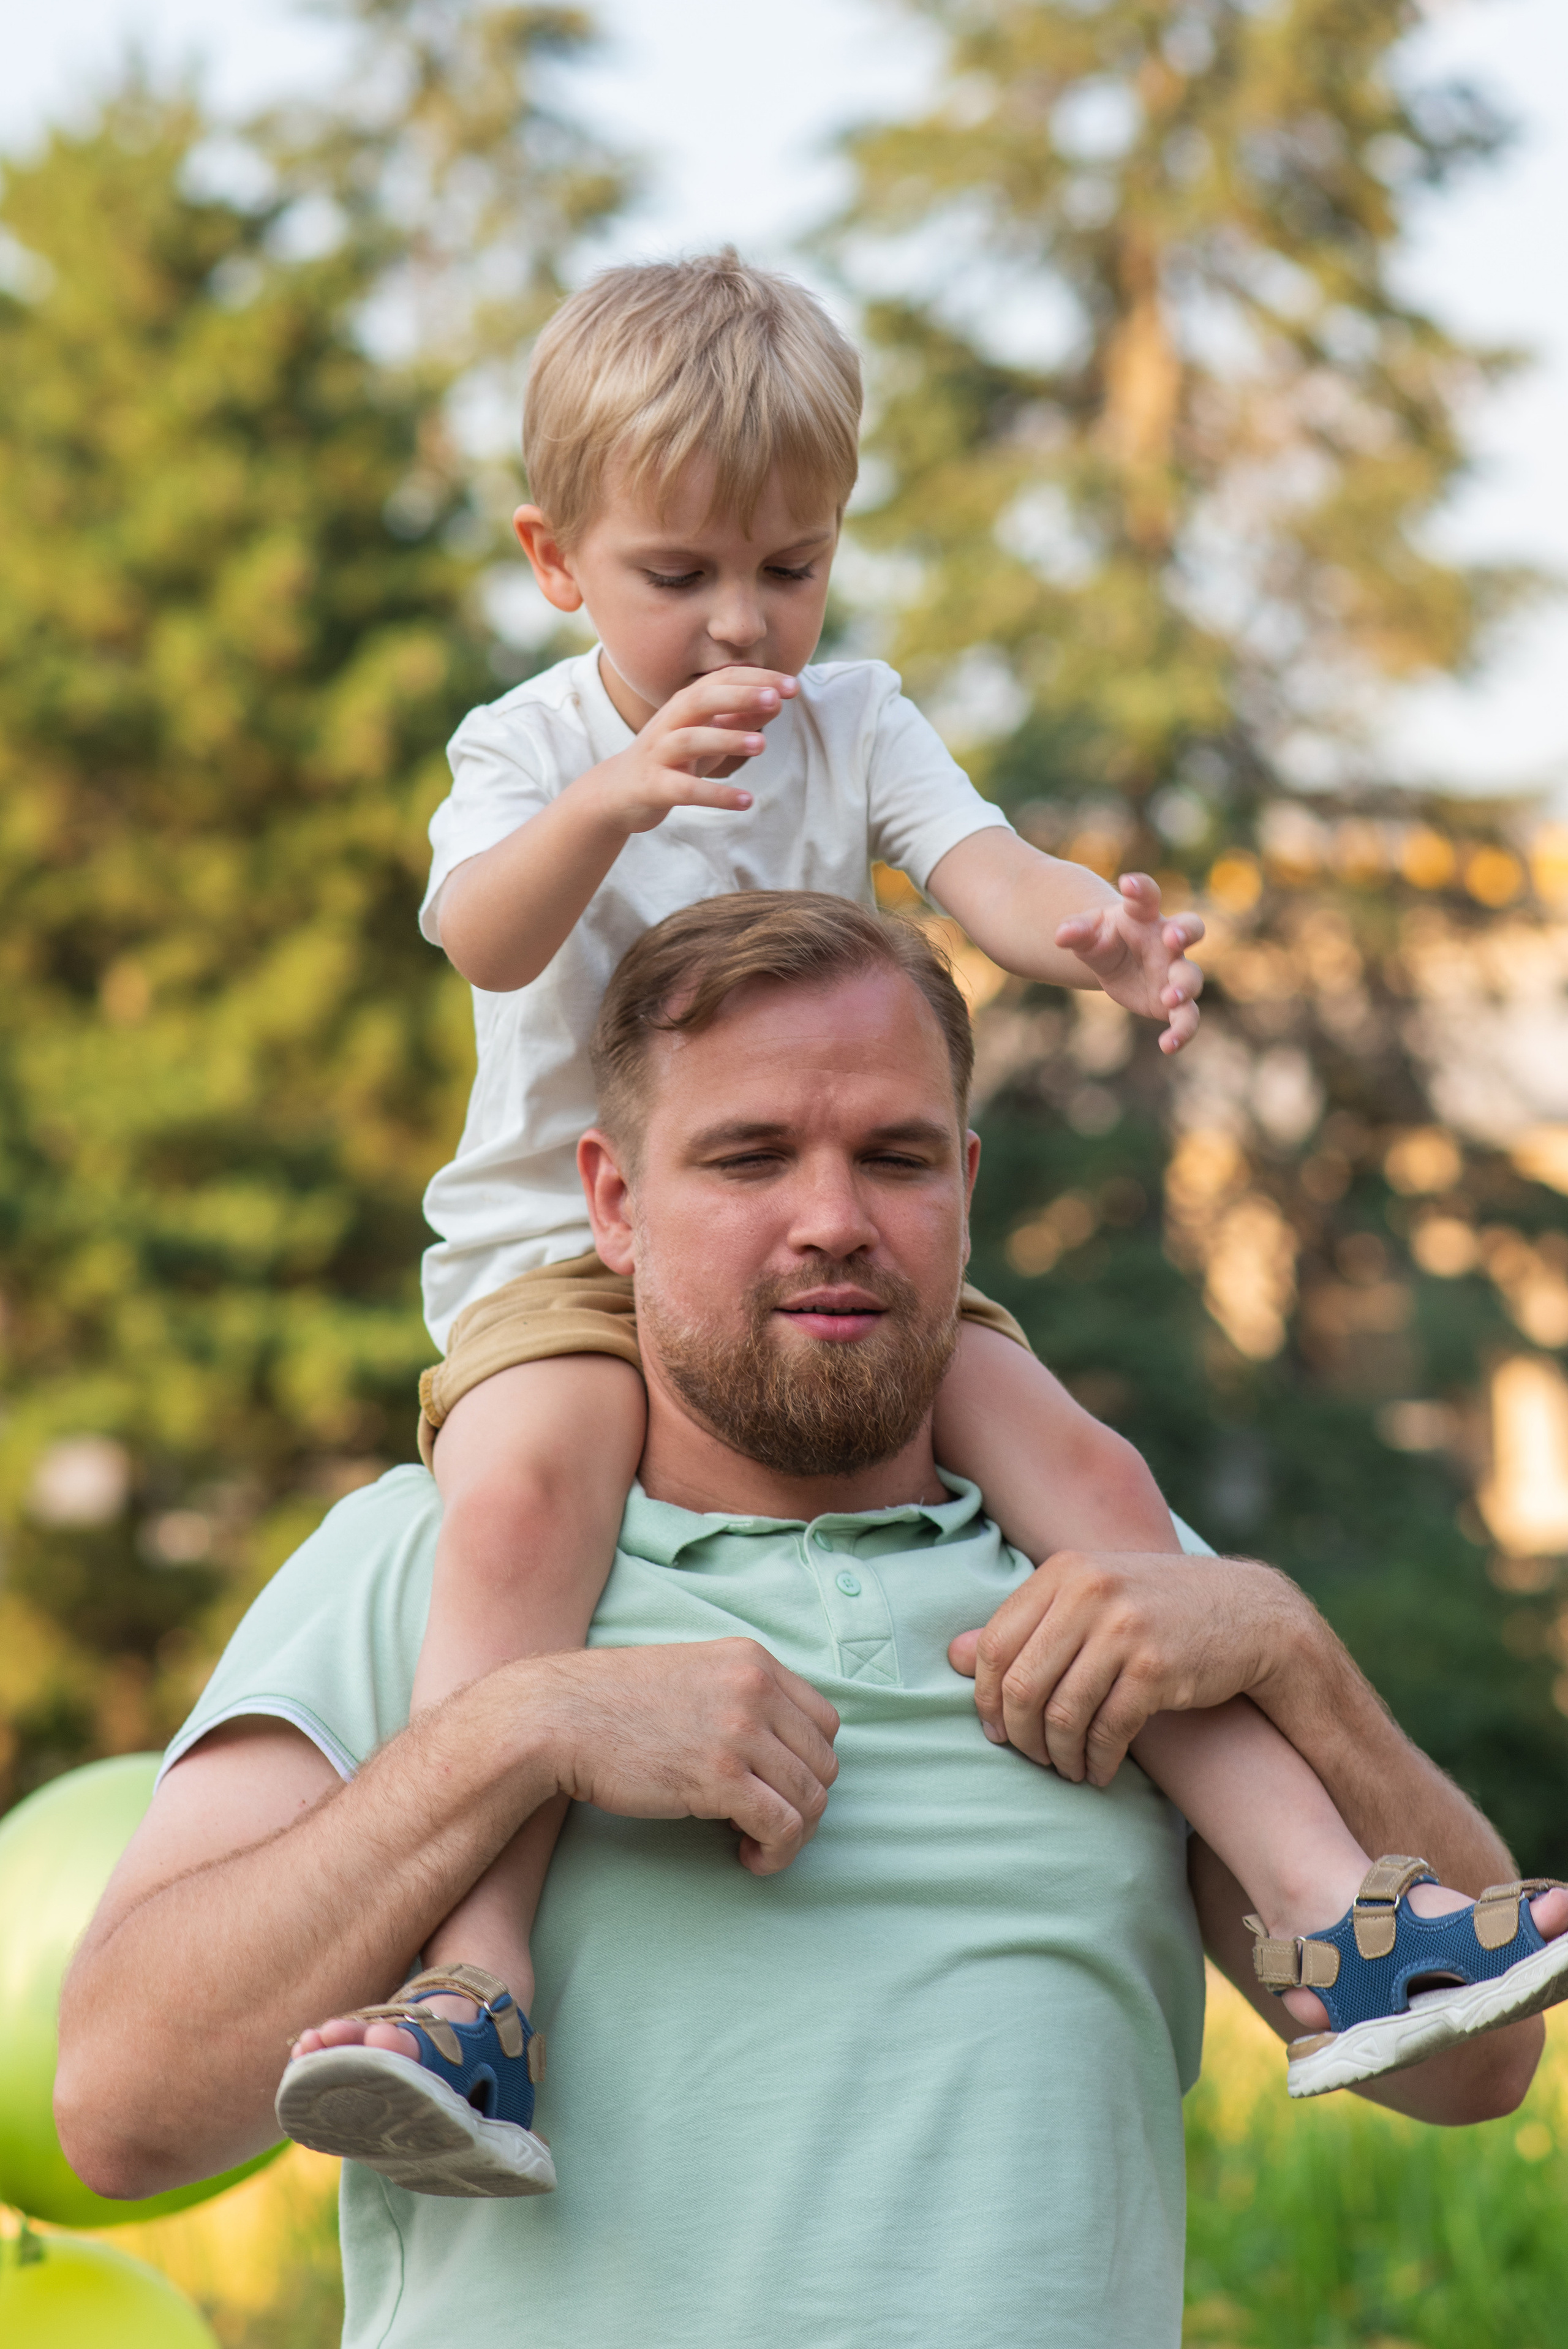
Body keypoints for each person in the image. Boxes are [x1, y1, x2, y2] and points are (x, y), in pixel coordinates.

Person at [56, 898, 1566, 2348]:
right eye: (749, 1156)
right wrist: (525, 1727)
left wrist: (1290, 1646)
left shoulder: (1124, 1594)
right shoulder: (435, 1559)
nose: (832, 1220)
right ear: (613, 1204)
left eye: (895, 1157)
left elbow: (1477, 2065)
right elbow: (122, 2113)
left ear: (965, 1186)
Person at [340, 248, 1215, 2142]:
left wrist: (1100, 939)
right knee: (516, 1511)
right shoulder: (531, 748)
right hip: (567, 1269)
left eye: (792, 567)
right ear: (559, 559)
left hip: (828, 1254)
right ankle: (467, 1985)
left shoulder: (855, 717)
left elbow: (977, 863)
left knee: (1100, 1481)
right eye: (682, 576)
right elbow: (487, 940)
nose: (746, 625)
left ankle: (1339, 1910)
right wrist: (610, 804)